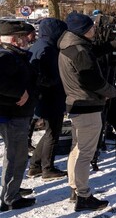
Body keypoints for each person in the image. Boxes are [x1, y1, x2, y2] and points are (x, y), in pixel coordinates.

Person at [58, 12, 116, 211]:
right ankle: (84, 195)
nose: (95, 29)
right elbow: (92, 79)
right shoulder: (80, 50)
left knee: (77, 148)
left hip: (77, 103)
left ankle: (74, 187)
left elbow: (92, 54)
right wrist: (111, 91)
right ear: (83, 30)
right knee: (84, 153)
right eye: (91, 27)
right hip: (86, 105)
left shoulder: (71, 45)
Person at [0, 20, 37, 211]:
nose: (27, 40)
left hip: (17, 114)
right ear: (15, 39)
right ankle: (10, 198)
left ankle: (11, 189)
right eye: (23, 37)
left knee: (16, 156)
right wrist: (19, 92)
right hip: (13, 116)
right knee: (16, 157)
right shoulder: (6, 56)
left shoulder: (14, 55)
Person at [27, 18, 69, 181]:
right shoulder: (49, 49)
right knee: (53, 133)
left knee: (49, 132)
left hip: (43, 97)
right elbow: (50, 75)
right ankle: (47, 168)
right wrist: (56, 82)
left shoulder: (38, 45)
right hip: (51, 96)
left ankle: (35, 165)